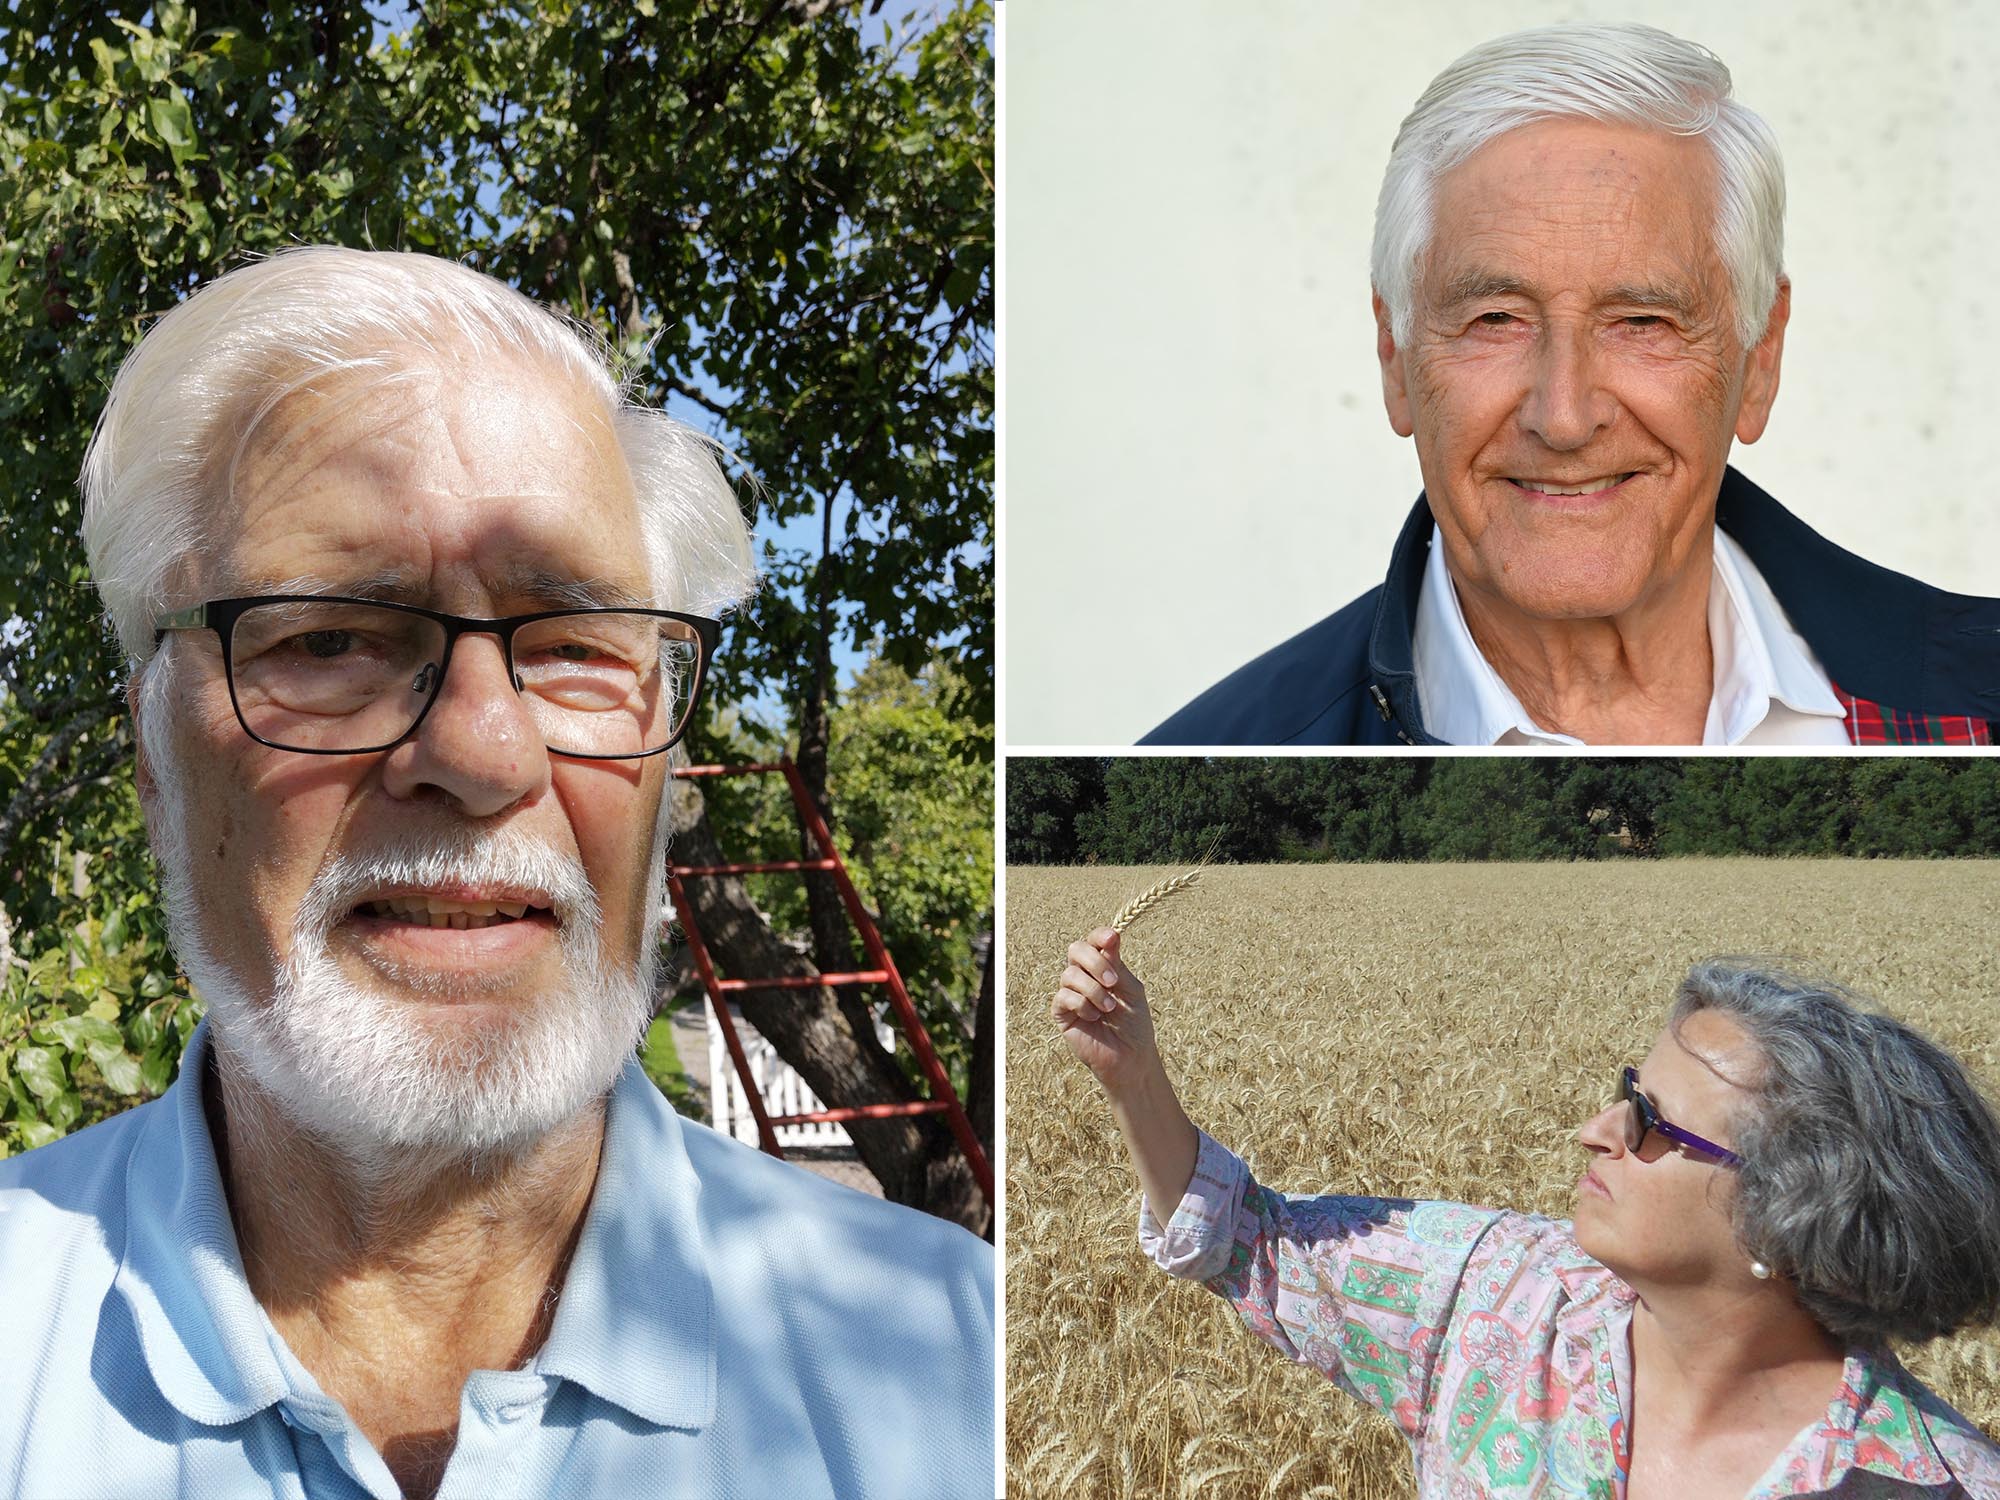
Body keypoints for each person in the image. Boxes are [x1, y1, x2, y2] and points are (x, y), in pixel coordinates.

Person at [0, 247, 994, 1500]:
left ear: (670, 756)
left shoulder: (964, 1368)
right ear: (153, 745)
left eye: (578, 646)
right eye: (329, 639)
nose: (481, 752)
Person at [1142, 22, 1998, 747]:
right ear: (1396, 357)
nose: (1564, 415)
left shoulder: (1977, 702)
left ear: (1759, 357)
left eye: (1643, 323)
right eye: (1495, 320)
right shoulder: (1209, 772)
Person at [1053, 931, 2000, 1494]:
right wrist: (1133, 1074)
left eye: (1655, 1124)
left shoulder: (1934, 1481)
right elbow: (1246, 1240)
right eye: (1626, 1090)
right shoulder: (1500, 1294)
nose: (1599, 1128)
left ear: (1796, 1212)